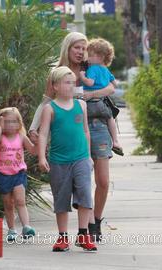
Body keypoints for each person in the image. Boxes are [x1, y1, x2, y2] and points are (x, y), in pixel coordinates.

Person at [30, 32, 115, 243]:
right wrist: (34, 127)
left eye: (83, 47)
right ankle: (81, 231)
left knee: (103, 180)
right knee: (79, 179)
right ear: (67, 48)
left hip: (97, 126)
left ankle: (95, 222)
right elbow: (46, 101)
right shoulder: (57, 73)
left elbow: (111, 87)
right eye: (76, 47)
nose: (80, 51)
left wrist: (91, 95)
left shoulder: (93, 68)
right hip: (69, 131)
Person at [38, 66, 96, 252]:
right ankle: (63, 237)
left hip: (81, 159)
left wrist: (88, 157)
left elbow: (86, 132)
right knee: (61, 199)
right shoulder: (49, 108)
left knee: (85, 195)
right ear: (55, 86)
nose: (71, 86)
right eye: (66, 82)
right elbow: (43, 134)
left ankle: (83, 234)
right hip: (59, 161)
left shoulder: (82, 105)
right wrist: (41, 156)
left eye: (73, 83)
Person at [0, 107, 36, 242]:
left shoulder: (21, 136)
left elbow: (33, 150)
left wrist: (38, 142)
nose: (10, 125)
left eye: (14, 121)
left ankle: (26, 227)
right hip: (3, 174)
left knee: (20, 201)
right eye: (7, 122)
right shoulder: (1, 137)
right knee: (8, 204)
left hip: (18, 173)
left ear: (19, 123)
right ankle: (11, 230)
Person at [79, 38, 123, 156]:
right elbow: (114, 85)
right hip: (103, 103)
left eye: (90, 55)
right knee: (110, 118)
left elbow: (90, 83)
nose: (87, 58)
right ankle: (116, 141)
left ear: (101, 57)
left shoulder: (93, 68)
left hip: (91, 103)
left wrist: (82, 77)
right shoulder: (106, 70)